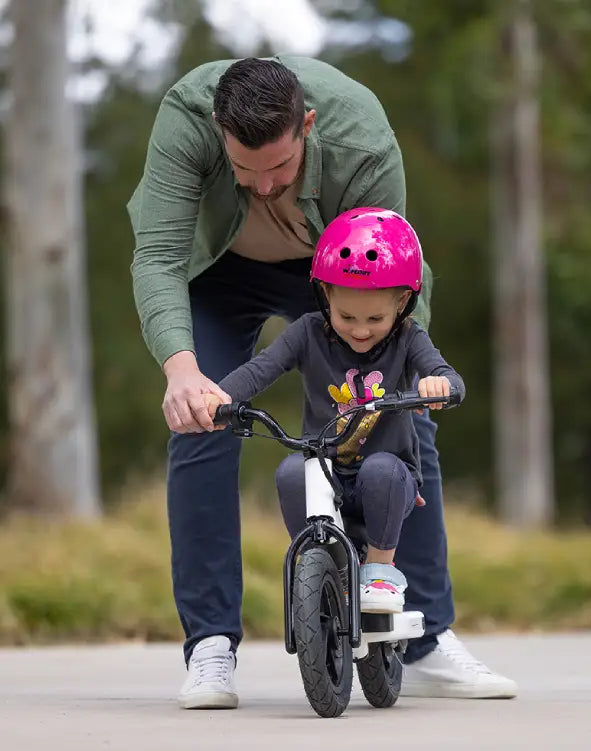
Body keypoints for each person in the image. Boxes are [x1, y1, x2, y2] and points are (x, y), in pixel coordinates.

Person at [128, 55, 517, 709]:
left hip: (343, 276)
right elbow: (159, 253)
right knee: (203, 419)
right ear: (219, 131)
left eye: (278, 168)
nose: (261, 186)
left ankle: (422, 640)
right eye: (243, 171)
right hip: (220, 275)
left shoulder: (361, 133)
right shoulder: (185, 119)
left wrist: (410, 380)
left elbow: (395, 265)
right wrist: (182, 370)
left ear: (306, 124)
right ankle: (210, 647)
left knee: (405, 425)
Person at [205, 207, 462, 619]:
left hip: (389, 472)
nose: (360, 330)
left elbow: (448, 377)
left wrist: (439, 386)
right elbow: (261, 369)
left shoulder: (409, 338)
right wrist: (217, 397)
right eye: (347, 317)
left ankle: (379, 570)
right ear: (326, 297)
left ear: (402, 302)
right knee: (291, 471)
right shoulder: (307, 332)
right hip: (326, 469)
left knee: (379, 469)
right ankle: (319, 565)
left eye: (375, 318)